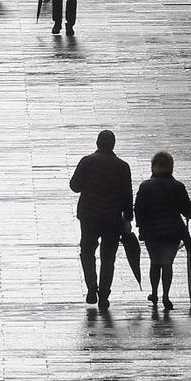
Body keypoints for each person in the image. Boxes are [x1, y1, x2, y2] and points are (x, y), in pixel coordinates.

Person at [68, 129, 133, 316]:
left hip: (89, 215)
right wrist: (128, 218)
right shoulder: (123, 166)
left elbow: (74, 186)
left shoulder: (87, 162)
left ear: (97, 143)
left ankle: (91, 285)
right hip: (112, 217)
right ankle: (104, 294)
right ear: (113, 145)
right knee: (108, 256)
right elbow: (127, 194)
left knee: (87, 250)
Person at [133, 150, 191, 317]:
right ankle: (166, 295)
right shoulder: (178, 186)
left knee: (155, 262)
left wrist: (141, 227)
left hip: (152, 231)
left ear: (153, 167)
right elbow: (187, 211)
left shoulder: (145, 186)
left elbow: (138, 208)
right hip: (173, 231)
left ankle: (154, 293)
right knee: (167, 263)